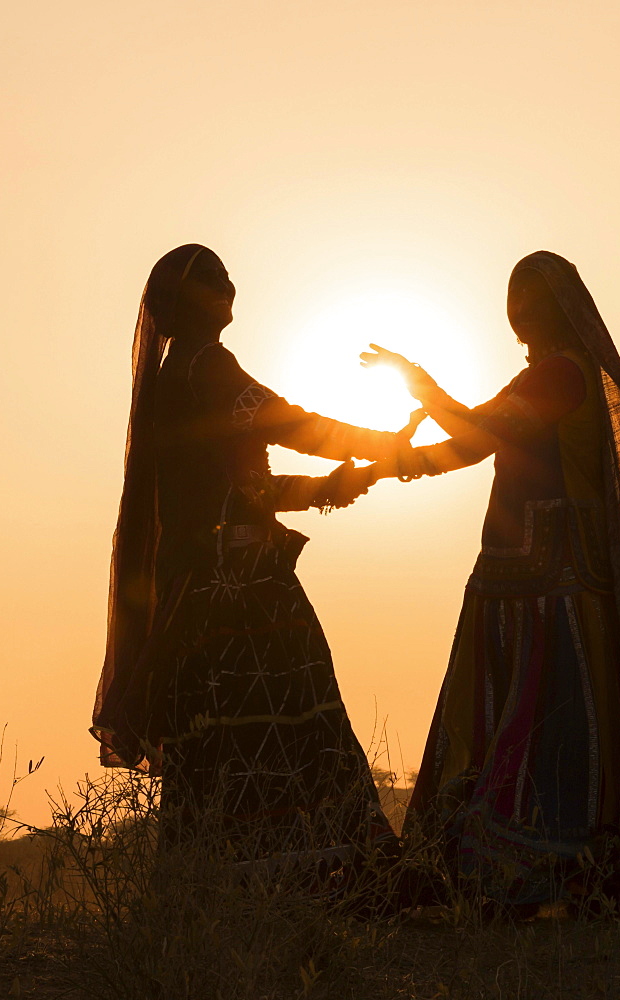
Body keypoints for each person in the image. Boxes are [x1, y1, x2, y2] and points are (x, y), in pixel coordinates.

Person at [362, 251, 620, 913]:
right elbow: (469, 444)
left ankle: (560, 879)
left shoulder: (561, 373)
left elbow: (482, 429)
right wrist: (387, 465)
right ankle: (524, 879)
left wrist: (420, 386)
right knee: (522, 717)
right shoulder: (538, 378)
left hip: (559, 582)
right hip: (512, 577)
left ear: (554, 310)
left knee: (561, 719)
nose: (519, 317)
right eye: (515, 303)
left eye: (529, 302)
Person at [92, 244, 418, 866]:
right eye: (213, 282)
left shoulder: (176, 378)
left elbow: (246, 491)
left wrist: (334, 486)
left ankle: (225, 888)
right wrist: (385, 447)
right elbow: (289, 423)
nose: (230, 287)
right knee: (294, 729)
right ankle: (324, 875)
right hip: (239, 589)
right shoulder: (207, 369)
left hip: (204, 592)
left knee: (224, 743)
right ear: (190, 305)